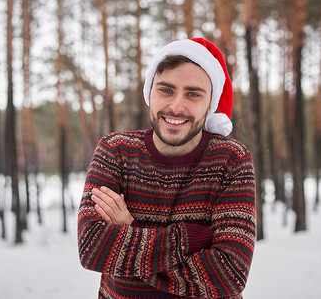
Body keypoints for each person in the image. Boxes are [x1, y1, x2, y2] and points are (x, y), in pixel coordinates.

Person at [78, 38, 256, 299]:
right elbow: (92, 248)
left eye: (193, 94)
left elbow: (229, 274)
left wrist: (131, 232)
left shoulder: (231, 160)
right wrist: (190, 239)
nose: (176, 106)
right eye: (166, 90)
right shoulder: (115, 151)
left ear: (210, 104)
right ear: (149, 93)